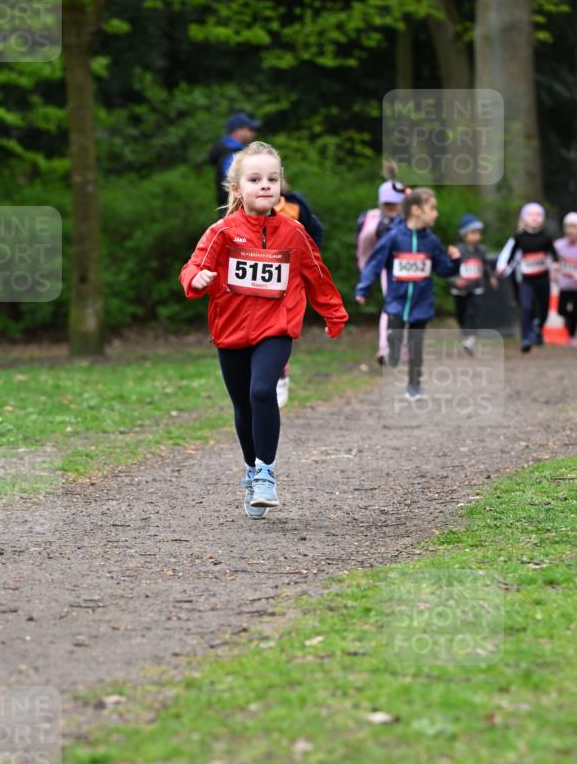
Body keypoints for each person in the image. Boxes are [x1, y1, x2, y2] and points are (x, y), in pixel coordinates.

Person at [179, 141, 348, 519]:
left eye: (273, 178)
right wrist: (198, 279)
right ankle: (253, 471)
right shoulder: (222, 232)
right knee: (242, 404)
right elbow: (191, 267)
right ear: (238, 188)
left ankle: (267, 473)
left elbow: (316, 275)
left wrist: (333, 314)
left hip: (277, 326)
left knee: (261, 391)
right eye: (255, 179)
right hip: (231, 329)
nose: (266, 185)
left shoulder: (294, 232)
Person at [354, 187, 460, 400]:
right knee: (395, 337)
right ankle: (392, 353)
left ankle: (414, 386)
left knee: (416, 347)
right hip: (397, 301)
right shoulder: (394, 237)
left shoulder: (431, 241)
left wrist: (455, 261)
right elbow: (375, 264)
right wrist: (363, 288)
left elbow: (443, 269)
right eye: (432, 208)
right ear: (415, 210)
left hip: (422, 302)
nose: (436, 213)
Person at [274, 178, 325, 408]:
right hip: (257, 282)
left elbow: (316, 231)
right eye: (256, 178)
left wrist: (307, 261)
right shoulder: (244, 205)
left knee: (282, 326)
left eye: (272, 177)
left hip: (289, 278)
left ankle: (280, 375)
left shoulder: (295, 204)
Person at [355, 174, 408, 365]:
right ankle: (385, 348)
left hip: (410, 269)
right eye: (388, 204)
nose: (392, 208)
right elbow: (365, 249)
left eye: (396, 204)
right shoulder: (374, 221)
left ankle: (403, 347)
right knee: (391, 305)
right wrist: (365, 277)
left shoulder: (411, 220)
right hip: (388, 269)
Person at [496, 203, 558, 352]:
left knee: (544, 309)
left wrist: (555, 265)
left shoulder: (546, 237)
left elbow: (553, 253)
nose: (534, 218)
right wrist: (505, 266)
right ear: (523, 218)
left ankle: (538, 328)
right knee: (526, 307)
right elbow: (512, 254)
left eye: (538, 215)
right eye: (530, 215)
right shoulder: (519, 237)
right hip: (527, 280)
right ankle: (525, 338)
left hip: (543, 279)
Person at [450, 214, 498, 355]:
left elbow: (486, 265)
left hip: (476, 287)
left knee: (473, 312)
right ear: (464, 234)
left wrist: (492, 277)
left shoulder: (480, 250)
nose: (477, 237)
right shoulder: (458, 251)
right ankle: (465, 333)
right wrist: (455, 280)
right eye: (473, 233)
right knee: (461, 314)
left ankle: (471, 339)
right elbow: (449, 268)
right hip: (460, 290)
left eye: (478, 233)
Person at [207, 112, 261, 209]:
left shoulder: (226, 149)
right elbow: (238, 183)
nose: (254, 133)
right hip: (236, 213)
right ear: (238, 130)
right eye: (250, 129)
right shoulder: (234, 154)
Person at [554, 211, 577, 347]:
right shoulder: (558, 245)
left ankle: (571, 336)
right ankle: (569, 322)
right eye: (568, 227)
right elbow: (552, 261)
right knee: (561, 310)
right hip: (565, 285)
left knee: (575, 311)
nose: (571, 231)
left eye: (574, 227)